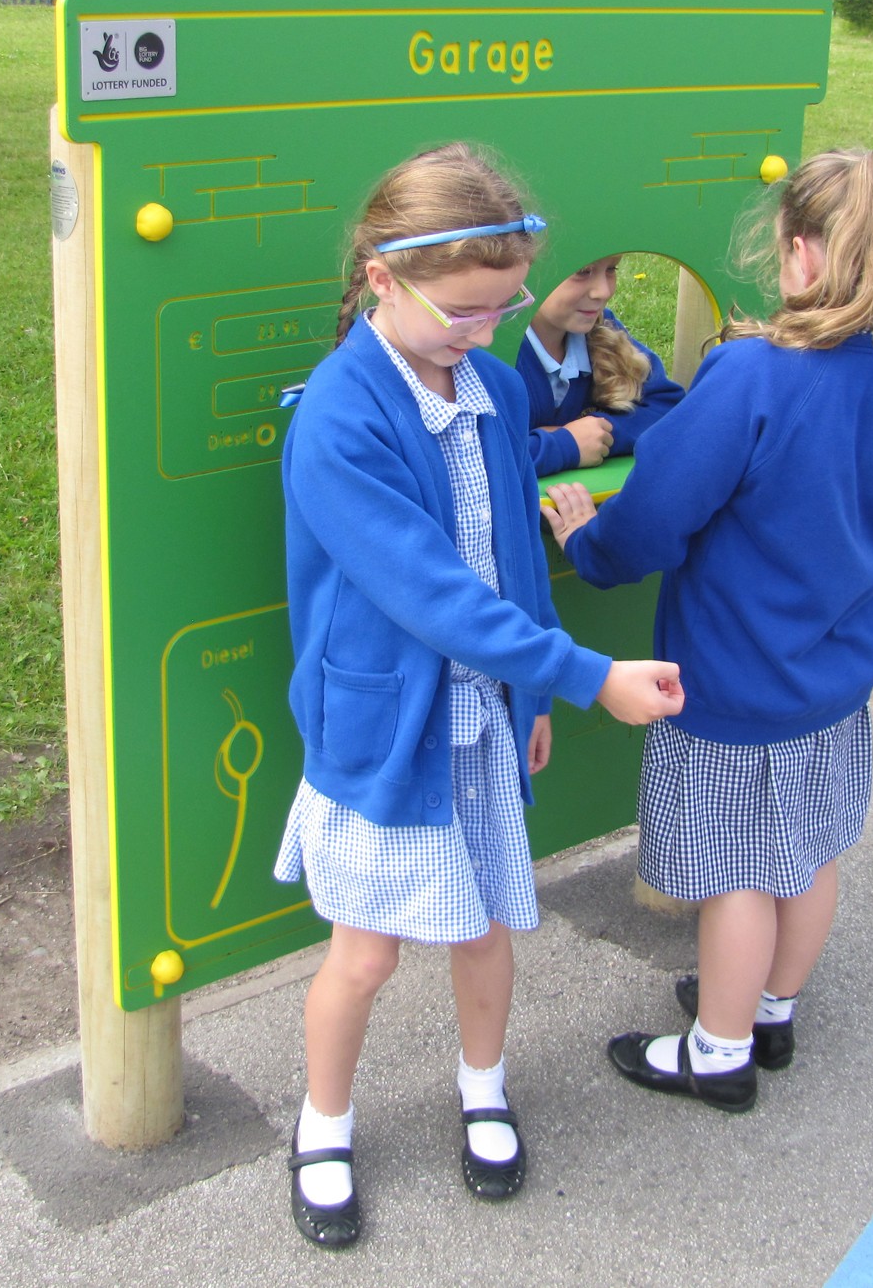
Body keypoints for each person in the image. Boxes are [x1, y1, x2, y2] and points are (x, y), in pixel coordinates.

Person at [273, 144, 684, 1249]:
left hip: (486, 708)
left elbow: (509, 549)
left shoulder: (495, 385)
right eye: (461, 310)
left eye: (502, 307)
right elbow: (432, 593)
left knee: (493, 920)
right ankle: (323, 1123)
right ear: (379, 278)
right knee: (361, 953)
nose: (485, 331)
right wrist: (588, 675)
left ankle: (484, 1085)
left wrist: (535, 689)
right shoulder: (338, 418)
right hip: (382, 724)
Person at [545, 149, 873, 1112]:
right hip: (833, 673)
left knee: (735, 875)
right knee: (805, 853)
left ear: (800, 253)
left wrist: (591, 542)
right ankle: (771, 1009)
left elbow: (657, 515)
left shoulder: (754, 376)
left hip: (730, 681)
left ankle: (717, 1053)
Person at [515, 253, 686, 475]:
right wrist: (563, 445)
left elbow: (669, 410)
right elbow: (471, 456)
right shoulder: (491, 350)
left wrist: (598, 432)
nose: (603, 291)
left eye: (611, 270)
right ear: (525, 273)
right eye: (583, 271)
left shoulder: (604, 329)